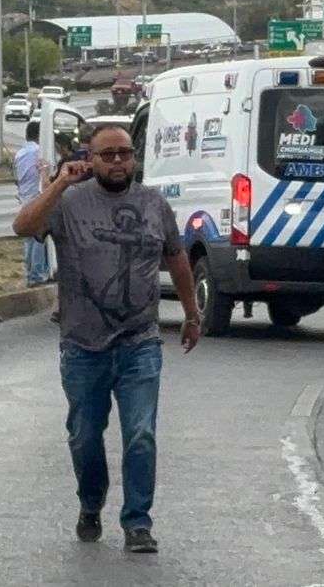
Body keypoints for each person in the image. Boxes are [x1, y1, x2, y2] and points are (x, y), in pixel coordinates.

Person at [13, 124, 203, 554]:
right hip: (83, 344)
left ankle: (137, 522)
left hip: (140, 341)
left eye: (125, 153)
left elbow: (176, 258)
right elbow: (23, 226)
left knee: (141, 433)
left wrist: (192, 313)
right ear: (90, 159)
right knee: (84, 435)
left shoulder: (154, 204)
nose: (118, 161)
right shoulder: (69, 202)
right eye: (107, 154)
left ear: (134, 158)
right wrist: (60, 182)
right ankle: (90, 502)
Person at [15, 121, 53, 287]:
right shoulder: (40, 152)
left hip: (24, 197)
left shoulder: (19, 153)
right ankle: (37, 274)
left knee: (29, 238)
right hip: (37, 197)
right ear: (40, 135)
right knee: (39, 237)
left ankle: (30, 272)